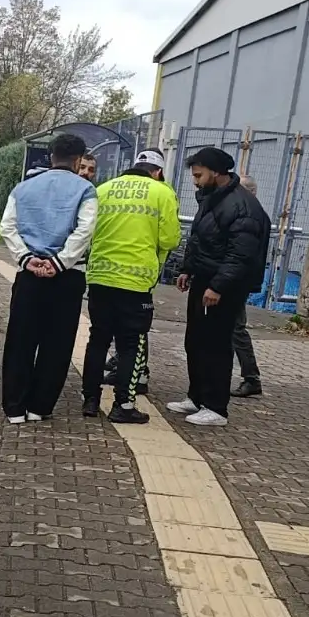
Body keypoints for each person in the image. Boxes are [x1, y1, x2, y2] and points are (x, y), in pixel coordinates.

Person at [0, 132, 98, 423]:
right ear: (79, 159)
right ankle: (39, 407)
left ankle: (14, 408)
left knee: (20, 340)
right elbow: (84, 231)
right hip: (67, 277)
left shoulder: (23, 189)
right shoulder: (86, 190)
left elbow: (8, 227)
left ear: (50, 157)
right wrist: (59, 262)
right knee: (57, 343)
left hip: (28, 275)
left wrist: (27, 259)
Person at [166, 147, 269, 427]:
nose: (195, 181)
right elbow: (199, 238)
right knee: (196, 341)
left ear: (216, 172)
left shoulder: (242, 206)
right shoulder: (212, 199)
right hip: (204, 281)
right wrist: (187, 269)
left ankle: (215, 406)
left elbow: (241, 254)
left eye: (199, 175)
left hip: (223, 288)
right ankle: (197, 396)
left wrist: (219, 286)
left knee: (215, 344)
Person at [81, 149, 181, 424]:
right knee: (130, 345)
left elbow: (87, 231)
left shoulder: (103, 189)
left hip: (100, 276)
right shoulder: (162, 192)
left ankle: (90, 399)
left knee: (98, 339)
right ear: (158, 171)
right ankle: (123, 405)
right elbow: (170, 239)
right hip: (135, 283)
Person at [230, 174, 265, 398]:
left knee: (236, 328)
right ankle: (249, 377)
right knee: (233, 328)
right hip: (236, 278)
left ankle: (251, 377)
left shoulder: (253, 215)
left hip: (238, 280)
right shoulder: (252, 213)